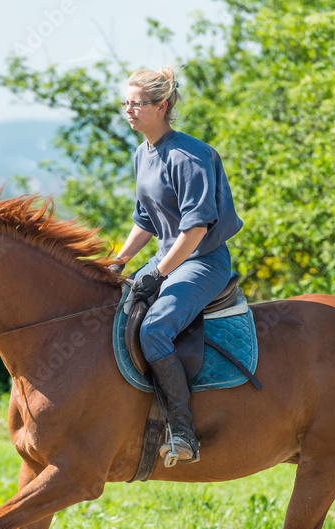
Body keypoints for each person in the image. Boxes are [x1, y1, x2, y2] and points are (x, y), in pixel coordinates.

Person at [110, 67, 244, 465]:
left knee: (153, 330)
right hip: (167, 256)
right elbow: (146, 221)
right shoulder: (142, 153)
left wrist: (158, 272)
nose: (129, 111)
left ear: (162, 106)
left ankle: (183, 430)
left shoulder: (191, 156)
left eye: (137, 104)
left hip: (201, 261)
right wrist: (117, 263)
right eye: (126, 103)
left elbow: (197, 229)